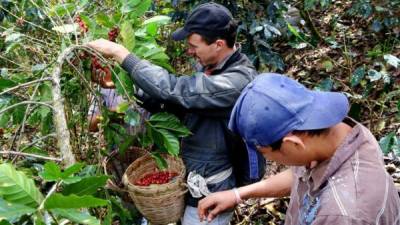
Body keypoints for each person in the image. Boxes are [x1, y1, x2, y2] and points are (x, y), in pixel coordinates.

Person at [87, 3, 265, 225]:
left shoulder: (235, 81)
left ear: (218, 44)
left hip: (210, 188)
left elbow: (176, 90)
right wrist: (118, 85)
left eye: (193, 46)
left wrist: (122, 54)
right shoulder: (211, 68)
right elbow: (177, 105)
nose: (189, 51)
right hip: (192, 179)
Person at [198, 73, 400, 224]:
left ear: (294, 144)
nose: (270, 160)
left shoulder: (341, 214)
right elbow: (300, 175)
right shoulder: (340, 134)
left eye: (265, 153)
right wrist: (237, 194)